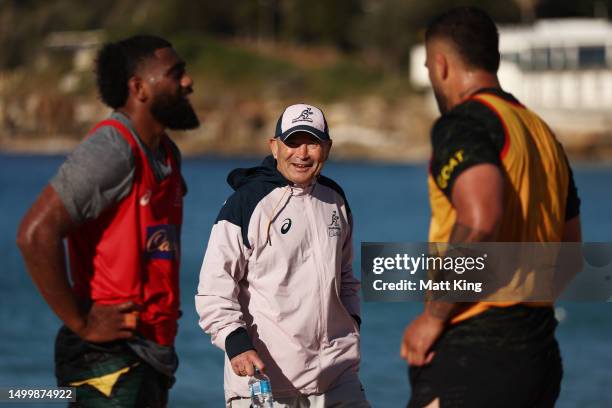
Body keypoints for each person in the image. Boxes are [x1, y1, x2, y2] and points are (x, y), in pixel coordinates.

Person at [400, 7, 582, 408]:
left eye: (430, 67)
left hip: (475, 354)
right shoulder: (542, 134)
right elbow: (571, 254)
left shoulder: (466, 123)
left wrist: (433, 317)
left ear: (442, 65)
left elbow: (480, 220)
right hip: (538, 355)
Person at [16, 35, 199, 406]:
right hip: (110, 360)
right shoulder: (113, 148)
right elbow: (35, 234)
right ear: (139, 88)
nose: (188, 82)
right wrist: (82, 321)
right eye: (175, 73)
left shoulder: (166, 154)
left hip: (150, 355)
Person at [195, 104, 370, 407]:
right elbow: (214, 290)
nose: (302, 153)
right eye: (292, 142)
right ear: (274, 147)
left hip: (336, 374)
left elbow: (345, 275)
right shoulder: (246, 203)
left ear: (327, 148)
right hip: (263, 379)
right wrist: (236, 345)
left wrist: (351, 322)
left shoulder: (335, 199)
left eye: (312, 142)